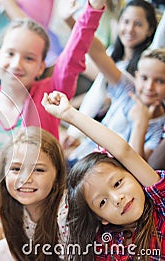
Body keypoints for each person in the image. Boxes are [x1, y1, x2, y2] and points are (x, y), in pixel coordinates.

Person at [0, 0, 106, 259]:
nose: (16, 63)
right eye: (10, 53)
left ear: (40, 65)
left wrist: (92, 8)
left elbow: (74, 54)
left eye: (29, 58)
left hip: (32, 197)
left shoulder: (50, 96)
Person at [42, 90, 165, 260]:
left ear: (132, 173)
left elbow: (124, 151)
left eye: (117, 184)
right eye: (102, 202)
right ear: (101, 218)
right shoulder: (106, 248)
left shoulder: (160, 204)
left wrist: (69, 114)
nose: (117, 198)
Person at [63, 0, 158, 150]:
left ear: (150, 30)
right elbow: (96, 92)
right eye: (125, 22)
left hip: (114, 137)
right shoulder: (114, 53)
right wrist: (74, 130)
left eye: (138, 24)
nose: (130, 29)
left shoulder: (146, 67)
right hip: (97, 133)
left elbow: (96, 52)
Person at [67, 45, 165, 165]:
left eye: (160, 81)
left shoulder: (160, 128)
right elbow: (98, 53)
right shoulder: (128, 89)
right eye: (144, 78)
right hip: (80, 159)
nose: (149, 87)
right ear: (137, 77)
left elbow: (137, 167)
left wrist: (140, 123)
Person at [0, 126, 68, 260]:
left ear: (57, 176)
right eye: (15, 169)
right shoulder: (9, 205)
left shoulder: (66, 214)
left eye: (38, 170)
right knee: (2, 250)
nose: (25, 179)